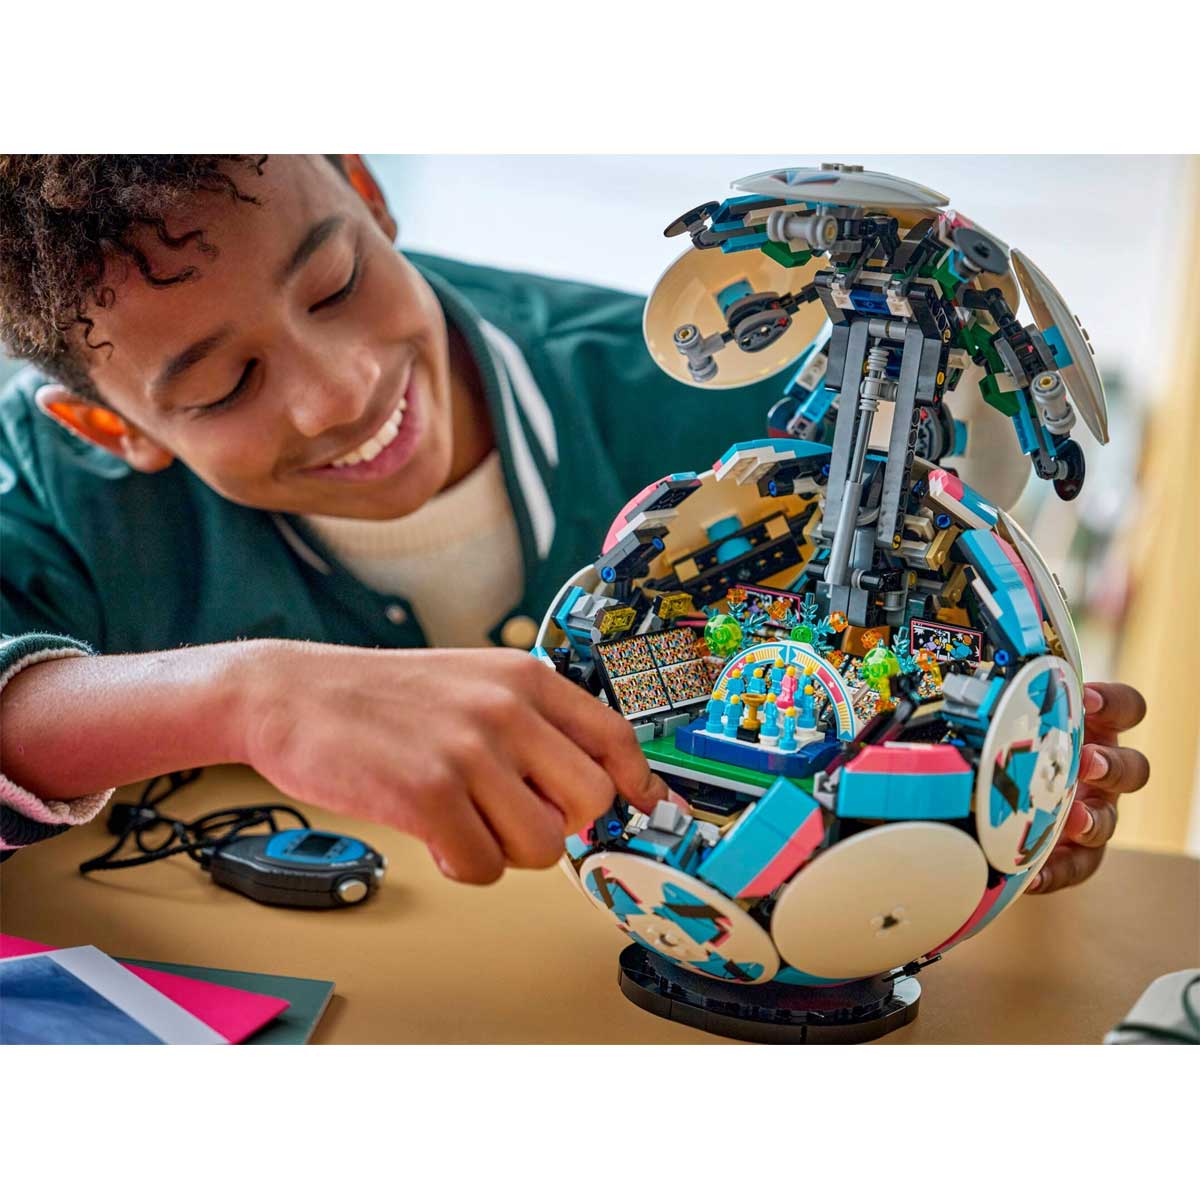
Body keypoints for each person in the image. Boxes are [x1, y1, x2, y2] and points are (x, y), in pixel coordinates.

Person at [0, 154, 1149, 893]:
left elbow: (854, 674)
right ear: (109, 427)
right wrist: (251, 697)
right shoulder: (51, 483)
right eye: (224, 386)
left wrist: (952, 797)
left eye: (339, 283)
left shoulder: (735, 416)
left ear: (365, 187)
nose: (340, 390)